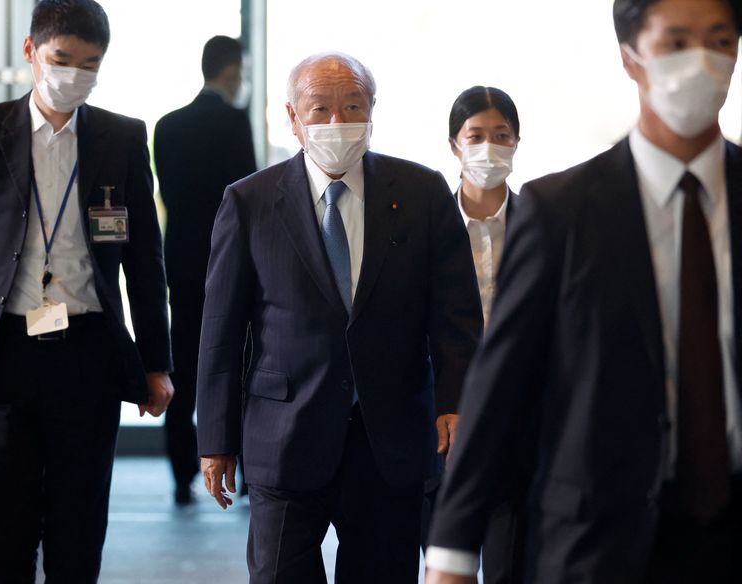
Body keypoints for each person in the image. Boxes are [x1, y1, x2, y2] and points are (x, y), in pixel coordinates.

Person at [426, 0, 742, 582]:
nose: (701, 62)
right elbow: (500, 384)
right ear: (631, 57)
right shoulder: (561, 212)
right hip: (600, 536)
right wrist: (449, 552)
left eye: (720, 41)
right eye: (675, 43)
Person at [196, 52, 482, 583]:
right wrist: (215, 438)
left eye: (352, 106)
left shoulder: (421, 193)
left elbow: (456, 314)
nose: (337, 122)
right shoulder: (250, 201)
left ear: (373, 111)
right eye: (320, 108)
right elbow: (221, 331)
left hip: (390, 437)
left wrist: (456, 401)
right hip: (285, 435)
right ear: (292, 116)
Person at [0, 0, 174, 581]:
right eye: (61, 59)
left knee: (79, 532)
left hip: (87, 354)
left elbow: (145, 261)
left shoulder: (122, 137)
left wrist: (156, 364)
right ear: (30, 51)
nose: (74, 75)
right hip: (2, 353)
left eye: (89, 65)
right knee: (4, 533)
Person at [424, 86, 529, 582]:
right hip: (444, 424)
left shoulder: (541, 225)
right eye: (476, 136)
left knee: (510, 561)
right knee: (444, 563)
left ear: (516, 142)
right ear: (454, 145)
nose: (489, 147)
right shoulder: (427, 227)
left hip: (520, 417)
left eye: (501, 135)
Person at [154, 35, 256, 505]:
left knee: (186, 363)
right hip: (229, 262)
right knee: (240, 361)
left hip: (183, 264)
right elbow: (249, 199)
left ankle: (180, 478)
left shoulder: (168, 126)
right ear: (232, 72)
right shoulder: (235, 122)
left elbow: (170, 199)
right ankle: (248, 472)